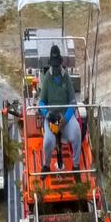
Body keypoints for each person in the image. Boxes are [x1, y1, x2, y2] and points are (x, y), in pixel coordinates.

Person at [38, 44, 81, 172]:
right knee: (48, 141)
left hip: (65, 116)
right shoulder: (47, 79)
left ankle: (76, 165)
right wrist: (47, 114)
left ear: (61, 63)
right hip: (51, 117)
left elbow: (73, 101)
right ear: (51, 64)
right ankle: (46, 166)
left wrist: (65, 118)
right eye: (54, 65)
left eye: (58, 65)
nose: (56, 67)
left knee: (76, 133)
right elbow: (41, 102)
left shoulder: (66, 77)